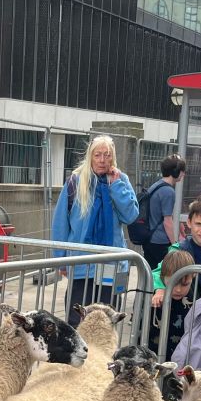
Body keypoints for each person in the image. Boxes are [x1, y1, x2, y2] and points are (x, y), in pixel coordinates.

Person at [51, 135, 139, 325]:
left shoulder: (121, 180)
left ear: (112, 157)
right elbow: (60, 224)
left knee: (107, 320)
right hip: (81, 262)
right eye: (97, 155)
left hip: (111, 262)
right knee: (78, 319)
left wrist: (115, 186)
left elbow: (131, 215)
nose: (102, 160)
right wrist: (61, 260)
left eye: (107, 155)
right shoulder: (75, 181)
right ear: (90, 156)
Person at [141, 154, 186, 269]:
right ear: (176, 172)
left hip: (149, 238)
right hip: (160, 241)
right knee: (165, 274)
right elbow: (167, 221)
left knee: (151, 274)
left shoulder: (156, 186)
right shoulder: (168, 191)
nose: (183, 174)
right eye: (182, 171)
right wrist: (175, 244)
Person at [150, 248, 196, 360]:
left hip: (183, 358)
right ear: (162, 277)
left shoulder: (195, 296)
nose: (178, 290)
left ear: (193, 277)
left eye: (185, 284)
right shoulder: (153, 296)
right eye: (173, 283)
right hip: (153, 355)